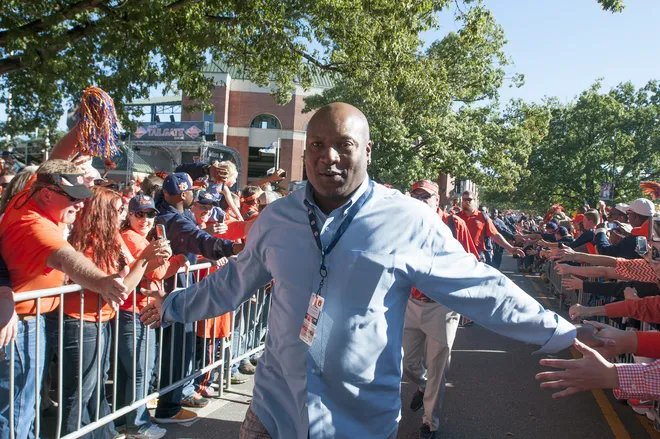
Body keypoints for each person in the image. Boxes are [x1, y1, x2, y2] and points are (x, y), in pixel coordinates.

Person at [146, 103, 600, 439]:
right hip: (274, 410)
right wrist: (172, 306)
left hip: (359, 420)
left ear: (367, 149)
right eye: (318, 145)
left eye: (343, 145)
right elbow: (233, 280)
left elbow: (480, 286)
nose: (329, 158)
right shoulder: (277, 219)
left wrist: (561, 333)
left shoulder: (408, 220)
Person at [0, 160, 129, 439]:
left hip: (29, 323)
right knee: (17, 412)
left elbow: (56, 158)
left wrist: (83, 129)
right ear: (47, 194)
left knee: (26, 408)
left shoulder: (28, 198)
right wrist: (103, 281)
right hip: (21, 327)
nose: (81, 205)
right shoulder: (35, 226)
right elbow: (68, 260)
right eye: (73, 198)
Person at [62, 187, 170, 439]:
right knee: (81, 391)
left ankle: (105, 431)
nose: (123, 216)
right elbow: (122, 287)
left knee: (98, 383)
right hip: (83, 320)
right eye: (121, 211)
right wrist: (147, 259)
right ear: (102, 213)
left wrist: (150, 259)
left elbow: (135, 274)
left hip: (101, 318)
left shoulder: (110, 238)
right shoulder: (91, 242)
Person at [150, 172, 239, 424]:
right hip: (170, 293)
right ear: (182, 194)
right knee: (175, 351)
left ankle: (171, 403)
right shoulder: (173, 219)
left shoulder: (176, 216)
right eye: (192, 192)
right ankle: (167, 408)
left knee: (179, 350)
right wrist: (231, 247)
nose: (195, 196)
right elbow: (199, 240)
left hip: (177, 291)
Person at [404, 180, 478, 439]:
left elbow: (471, 261)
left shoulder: (453, 224)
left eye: (427, 196)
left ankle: (429, 423)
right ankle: (422, 386)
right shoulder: (405, 223)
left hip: (442, 306)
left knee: (437, 367)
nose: (421, 199)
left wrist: (467, 301)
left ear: (438, 200)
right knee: (407, 363)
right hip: (410, 303)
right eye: (417, 195)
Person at [118, 194, 188, 439]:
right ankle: (136, 424)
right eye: (140, 214)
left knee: (135, 371)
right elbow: (158, 271)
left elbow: (157, 267)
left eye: (149, 214)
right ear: (129, 215)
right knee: (139, 371)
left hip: (140, 309)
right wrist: (179, 259)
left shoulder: (141, 237)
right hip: (134, 310)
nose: (145, 219)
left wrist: (171, 258)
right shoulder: (130, 237)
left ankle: (128, 422)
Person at [457, 190, 524, 263]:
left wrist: (511, 248)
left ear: (474, 201)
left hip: (477, 258)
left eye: (469, 199)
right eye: (464, 199)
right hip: (459, 257)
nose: (466, 202)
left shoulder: (483, 217)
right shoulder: (456, 217)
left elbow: (495, 235)